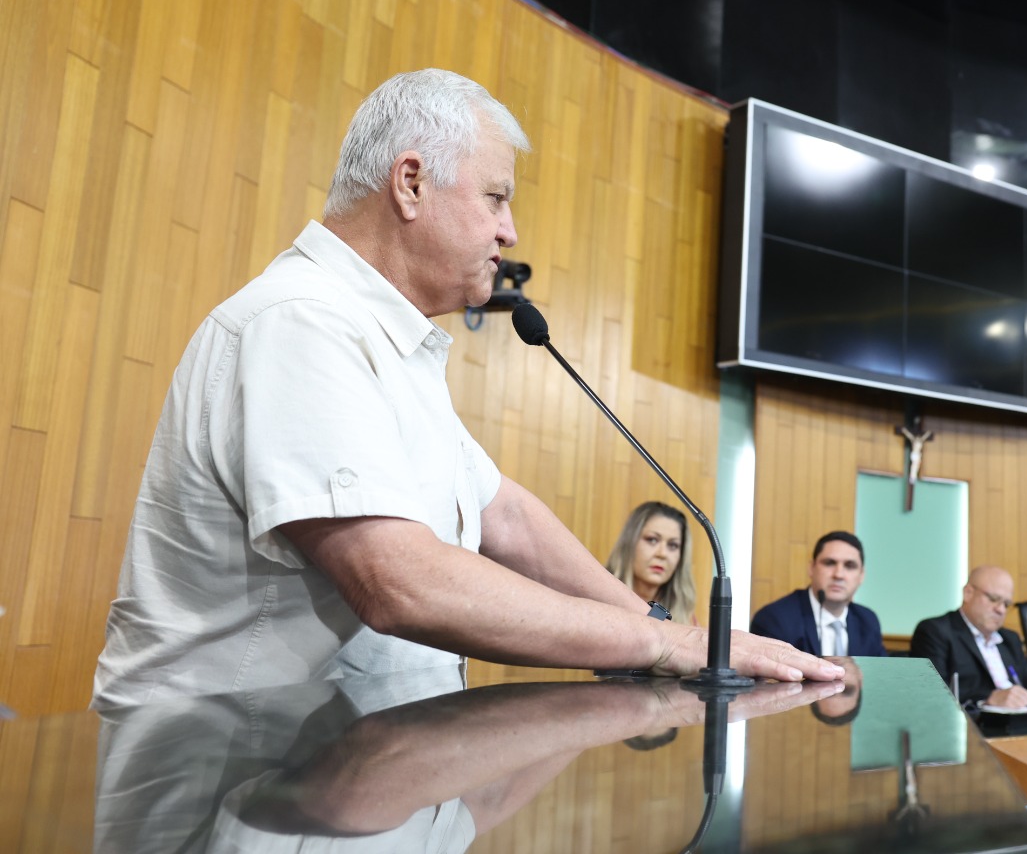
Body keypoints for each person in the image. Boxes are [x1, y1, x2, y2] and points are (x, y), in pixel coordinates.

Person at [91, 70, 841, 709]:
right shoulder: (302, 323)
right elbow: (398, 581)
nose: (510, 232)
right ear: (411, 183)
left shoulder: (386, 339)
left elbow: (502, 515)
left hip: (325, 772)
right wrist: (661, 643)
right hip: (223, 768)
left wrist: (673, 633)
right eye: (495, 197)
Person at [911, 565, 1027, 711]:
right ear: (968, 593)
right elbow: (931, 695)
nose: (1001, 610)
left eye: (1006, 604)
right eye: (994, 599)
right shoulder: (936, 631)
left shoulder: (1009, 639)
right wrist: (988, 699)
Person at [751, 531, 885, 657]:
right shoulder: (775, 619)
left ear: (861, 575)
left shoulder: (868, 621)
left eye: (849, 566)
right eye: (829, 563)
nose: (838, 574)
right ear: (811, 568)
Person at [606, 502, 698, 624]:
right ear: (630, 543)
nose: (662, 554)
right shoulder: (599, 597)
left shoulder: (687, 619)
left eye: (672, 545)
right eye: (652, 540)